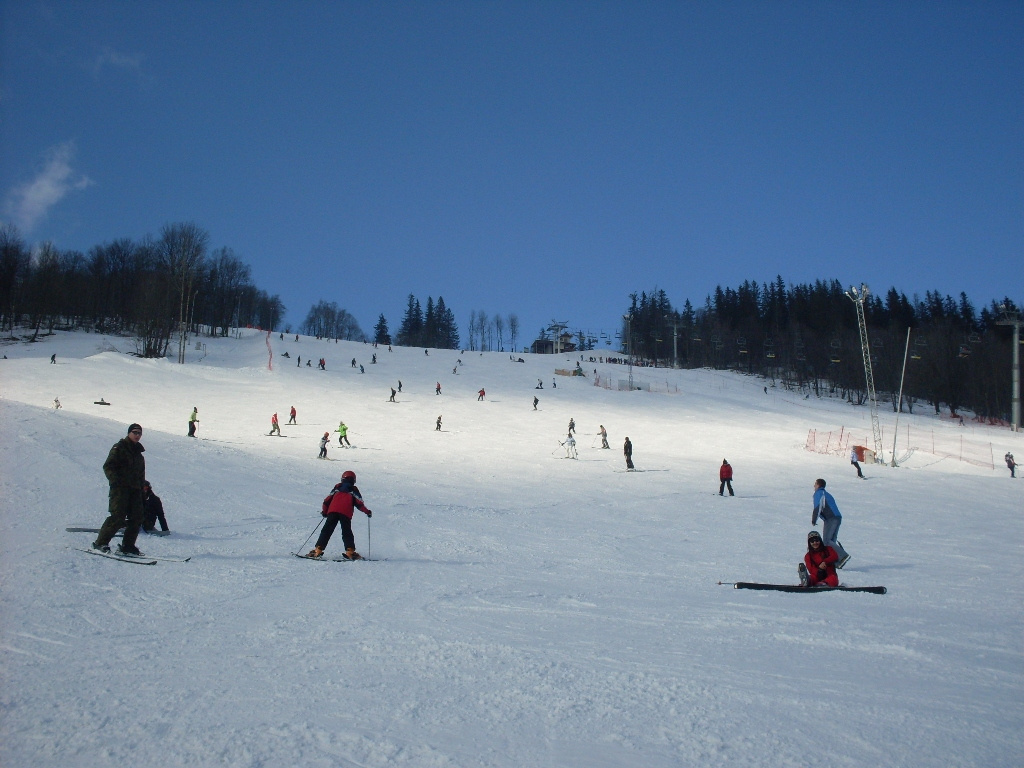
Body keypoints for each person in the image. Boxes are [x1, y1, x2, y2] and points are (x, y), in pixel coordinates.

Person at [92, 424, 146, 556]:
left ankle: (128, 546)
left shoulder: (139, 454)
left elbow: (141, 474)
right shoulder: (119, 448)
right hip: (120, 489)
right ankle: (100, 543)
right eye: (135, 432)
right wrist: (115, 482)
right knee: (118, 516)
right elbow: (108, 466)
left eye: (139, 433)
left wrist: (142, 489)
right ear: (129, 433)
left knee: (136, 518)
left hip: (135, 490)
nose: (137, 435)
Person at [308, 470, 373, 560]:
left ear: (342, 479)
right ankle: (350, 552)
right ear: (353, 480)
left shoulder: (337, 488)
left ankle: (317, 550)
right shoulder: (353, 490)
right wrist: (367, 512)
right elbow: (359, 503)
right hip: (345, 513)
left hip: (332, 511)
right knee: (347, 532)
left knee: (326, 530)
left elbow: (327, 500)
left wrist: (325, 511)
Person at [812, 478, 850, 568]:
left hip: (830, 518)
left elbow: (818, 506)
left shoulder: (819, 493)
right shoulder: (827, 494)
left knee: (827, 541)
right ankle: (837, 562)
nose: (814, 486)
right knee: (831, 541)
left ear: (818, 485)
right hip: (837, 517)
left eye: (815, 484)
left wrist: (814, 519)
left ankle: (843, 555)